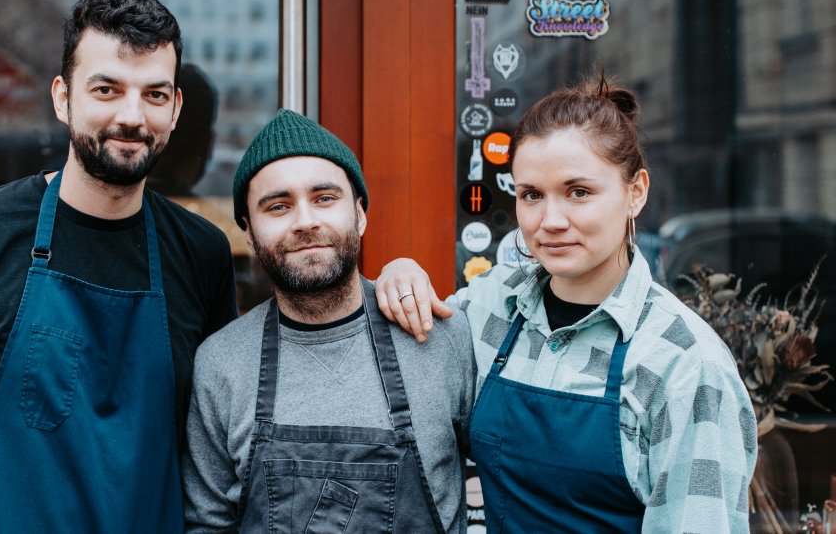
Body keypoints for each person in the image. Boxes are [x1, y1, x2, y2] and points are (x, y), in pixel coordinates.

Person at [0, 0, 237, 532]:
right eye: (107, 89)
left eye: (154, 94)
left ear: (175, 109)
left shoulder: (201, 253)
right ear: (62, 98)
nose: (132, 116)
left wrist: (396, 279)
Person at [377, 73, 757, 533]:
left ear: (635, 192)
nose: (550, 220)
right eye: (531, 195)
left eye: (578, 192)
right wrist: (398, 275)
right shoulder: (494, 303)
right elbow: (404, 374)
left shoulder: (684, 363)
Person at [183, 109, 476, 532]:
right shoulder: (221, 363)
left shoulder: (437, 335)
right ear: (248, 231)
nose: (305, 221)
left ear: (359, 214)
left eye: (324, 198)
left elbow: (508, 480)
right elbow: (206, 524)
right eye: (278, 206)